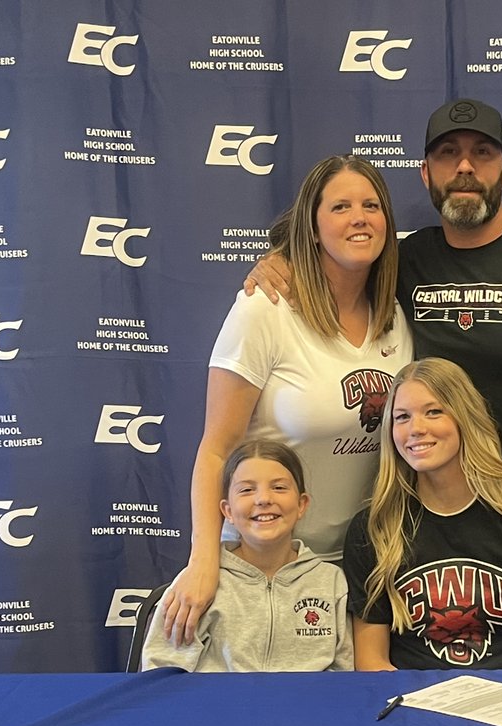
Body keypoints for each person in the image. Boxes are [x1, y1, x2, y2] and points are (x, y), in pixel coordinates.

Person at [247, 99, 502, 670]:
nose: (465, 167)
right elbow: (334, 251)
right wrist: (280, 260)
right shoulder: (400, 263)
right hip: (433, 521)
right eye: (448, 154)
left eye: (482, 154)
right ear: (425, 174)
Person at [162, 155, 413, 646]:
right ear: (312, 228)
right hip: (265, 564)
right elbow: (216, 449)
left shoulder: (395, 319)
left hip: (358, 568)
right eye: (340, 206)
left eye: (371, 206)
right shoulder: (266, 309)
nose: (359, 218)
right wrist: (204, 559)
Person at [344, 357, 502, 670]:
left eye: (433, 412)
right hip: (414, 697)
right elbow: (371, 660)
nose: (416, 429)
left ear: (465, 417)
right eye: (402, 417)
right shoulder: (374, 529)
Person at [142, 440, 352, 672]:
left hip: (308, 697)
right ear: (228, 511)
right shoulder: (197, 586)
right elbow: (162, 673)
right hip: (219, 697)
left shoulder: (331, 582)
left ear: (301, 504)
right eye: (246, 490)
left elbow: (346, 676)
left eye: (279, 487)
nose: (263, 499)